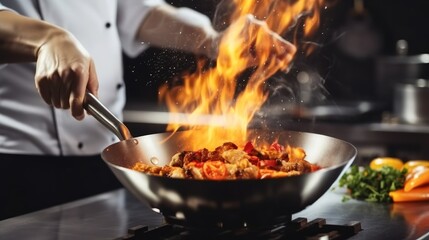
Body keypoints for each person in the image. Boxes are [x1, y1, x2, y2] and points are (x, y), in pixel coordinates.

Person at [0, 1, 296, 219]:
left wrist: (215, 41)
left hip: (107, 159)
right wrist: (47, 39)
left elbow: (138, 12)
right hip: (18, 164)